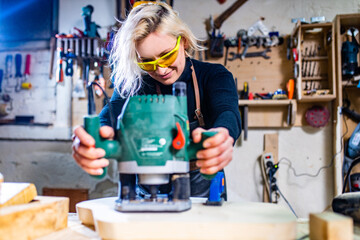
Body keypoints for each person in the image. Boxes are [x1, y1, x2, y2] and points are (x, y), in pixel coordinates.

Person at [72, 2, 241, 198]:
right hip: (146, 188)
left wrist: (223, 135)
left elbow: (227, 113)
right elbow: (106, 119)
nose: (160, 70)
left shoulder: (213, 76)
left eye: (166, 56)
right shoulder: (136, 84)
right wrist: (89, 142)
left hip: (202, 187)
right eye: (147, 62)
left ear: (183, 41)